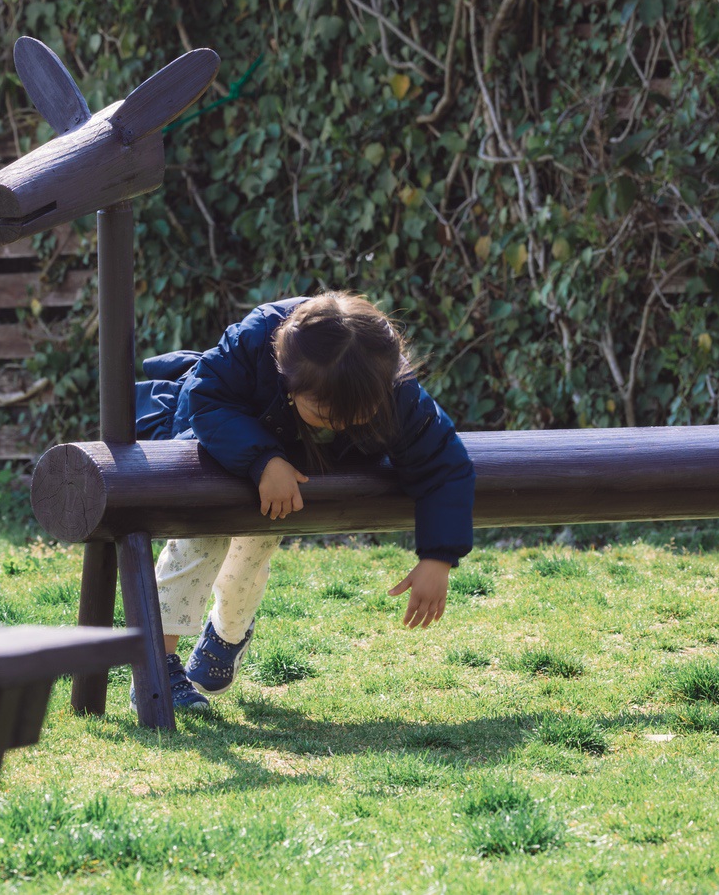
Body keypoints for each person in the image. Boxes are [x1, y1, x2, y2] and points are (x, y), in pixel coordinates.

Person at [133, 292, 475, 712]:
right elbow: (207, 398)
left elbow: (443, 463)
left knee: (256, 547)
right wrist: (262, 459)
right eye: (327, 413)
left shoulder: (392, 385)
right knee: (200, 540)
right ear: (289, 384)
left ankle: (227, 633)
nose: (343, 424)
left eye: (359, 413)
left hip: (288, 477)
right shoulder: (255, 341)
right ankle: (157, 665)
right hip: (215, 447)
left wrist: (438, 557)